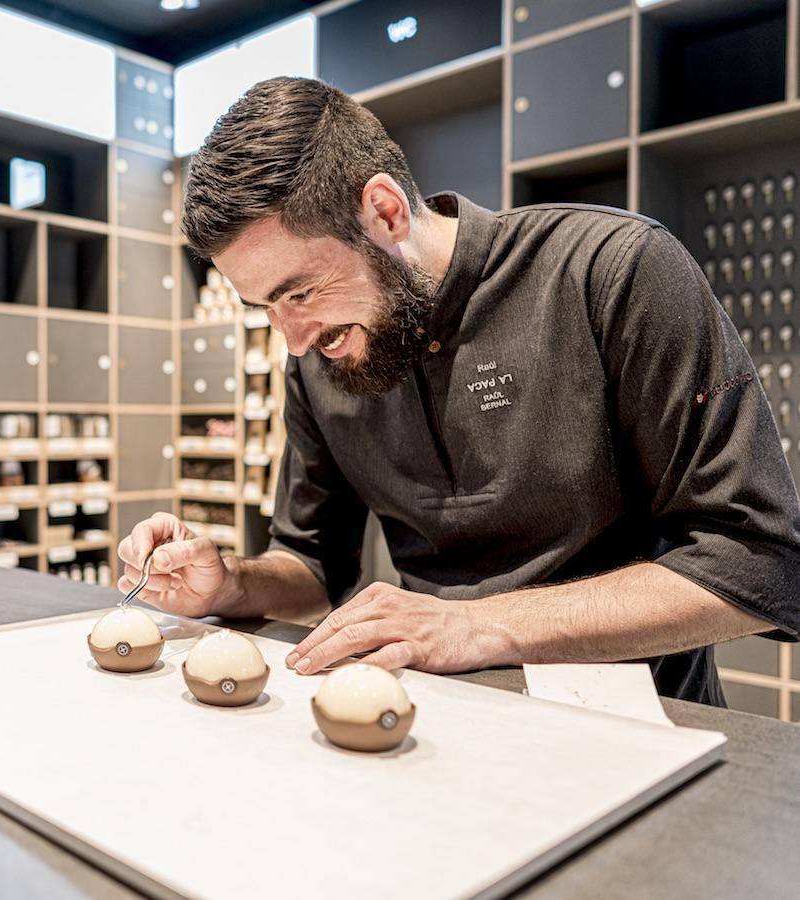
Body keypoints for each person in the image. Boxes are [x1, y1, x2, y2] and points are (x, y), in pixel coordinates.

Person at [119, 76, 800, 705]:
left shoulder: (613, 273)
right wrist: (232, 582)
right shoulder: (318, 358)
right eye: (262, 306)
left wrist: (476, 626)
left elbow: (758, 564)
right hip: (425, 723)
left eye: (299, 291)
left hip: (637, 725)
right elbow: (311, 563)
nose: (293, 340)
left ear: (384, 212)